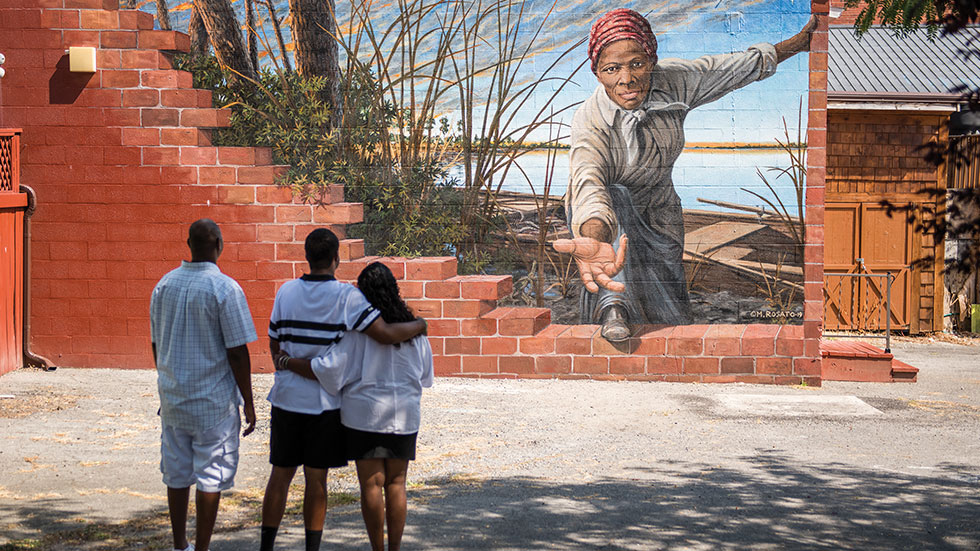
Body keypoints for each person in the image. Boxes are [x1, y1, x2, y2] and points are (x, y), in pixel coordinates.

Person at [553, 8, 816, 342]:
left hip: (659, 208)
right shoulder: (590, 120)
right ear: (598, 74)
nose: (626, 78)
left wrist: (797, 44)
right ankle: (613, 309)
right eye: (612, 69)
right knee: (616, 197)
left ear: (651, 60)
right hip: (606, 213)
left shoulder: (674, 80)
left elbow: (733, 69)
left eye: (636, 64)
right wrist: (595, 237)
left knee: (671, 315)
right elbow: (589, 183)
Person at [259, 229, 428, 551]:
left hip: (286, 398)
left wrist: (283, 363)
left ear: (306, 256)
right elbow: (383, 334)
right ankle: (313, 547)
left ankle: (266, 545)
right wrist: (421, 325)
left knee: (279, 475)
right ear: (336, 258)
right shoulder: (347, 297)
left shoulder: (286, 291)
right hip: (323, 403)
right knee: (316, 481)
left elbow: (273, 338)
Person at [150, 218, 258, 551]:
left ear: (189, 244)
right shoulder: (225, 289)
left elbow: (156, 345)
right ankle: (201, 547)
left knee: (177, 473)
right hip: (213, 402)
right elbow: (238, 353)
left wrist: (169, 379)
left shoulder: (164, 286)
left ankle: (180, 542)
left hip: (174, 399)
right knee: (211, 475)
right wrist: (249, 401)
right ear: (219, 245)